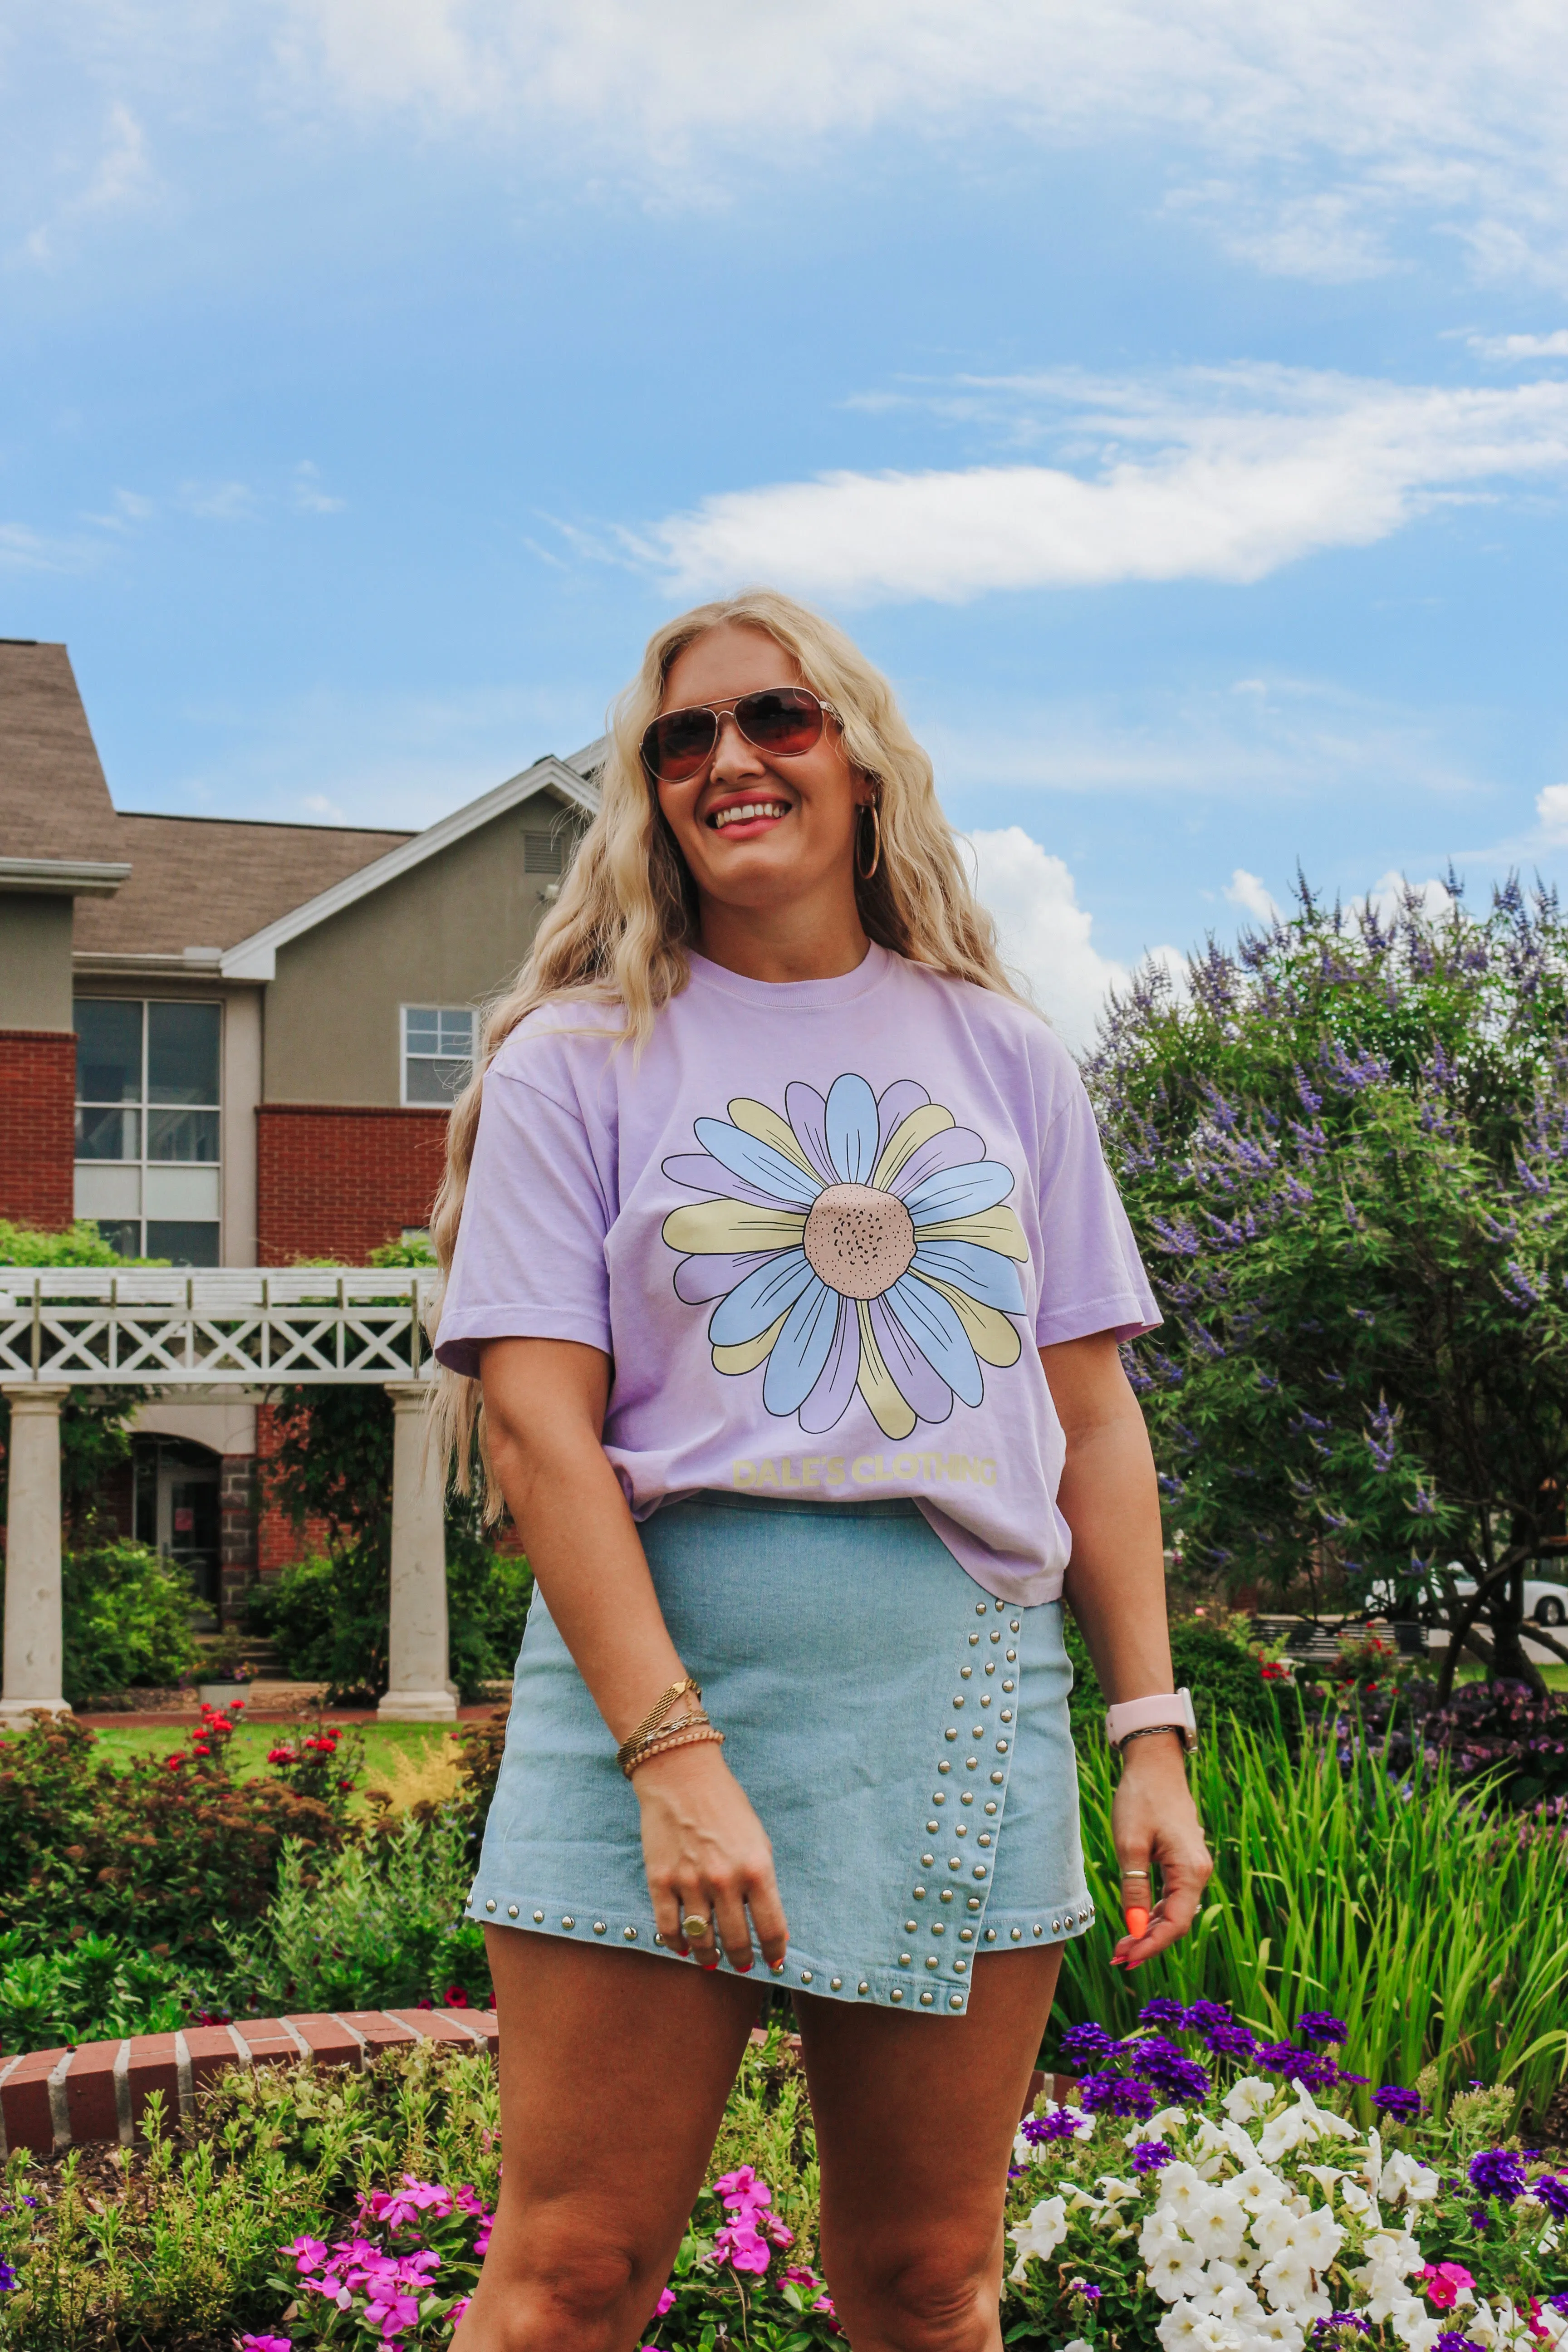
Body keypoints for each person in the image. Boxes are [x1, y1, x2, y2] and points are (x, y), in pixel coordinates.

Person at [432, 589, 1211, 2352]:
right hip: (653, 1678)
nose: (729, 761)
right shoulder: (575, 1063)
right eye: (682, 738)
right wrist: (670, 1751)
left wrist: (1148, 1728)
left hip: (954, 1690)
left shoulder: (1005, 1055)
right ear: (650, 794)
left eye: (775, 718)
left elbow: (1093, 1423)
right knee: (569, 2277)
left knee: (930, 2286)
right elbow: (539, 1429)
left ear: (859, 759)